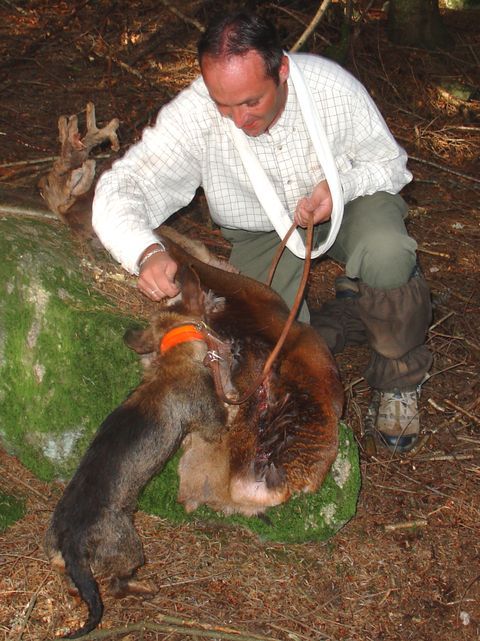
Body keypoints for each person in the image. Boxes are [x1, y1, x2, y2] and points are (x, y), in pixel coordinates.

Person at [92, 11, 432, 453]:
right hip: (260, 232)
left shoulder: (330, 88)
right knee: (272, 351)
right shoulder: (195, 114)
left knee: (387, 255)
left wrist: (340, 186)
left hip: (349, 203)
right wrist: (144, 251)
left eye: (251, 102)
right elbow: (122, 187)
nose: (236, 119)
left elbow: (390, 165)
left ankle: (399, 378)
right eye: (223, 104)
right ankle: (350, 315)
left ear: (282, 70)